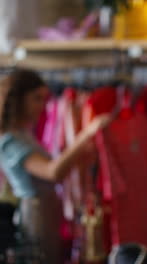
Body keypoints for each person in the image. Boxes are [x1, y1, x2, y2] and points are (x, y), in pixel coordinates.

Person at [0, 69, 112, 264]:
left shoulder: (23, 134)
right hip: (35, 211)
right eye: (36, 98)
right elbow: (52, 172)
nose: (42, 106)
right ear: (19, 99)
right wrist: (87, 133)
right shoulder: (11, 141)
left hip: (46, 208)